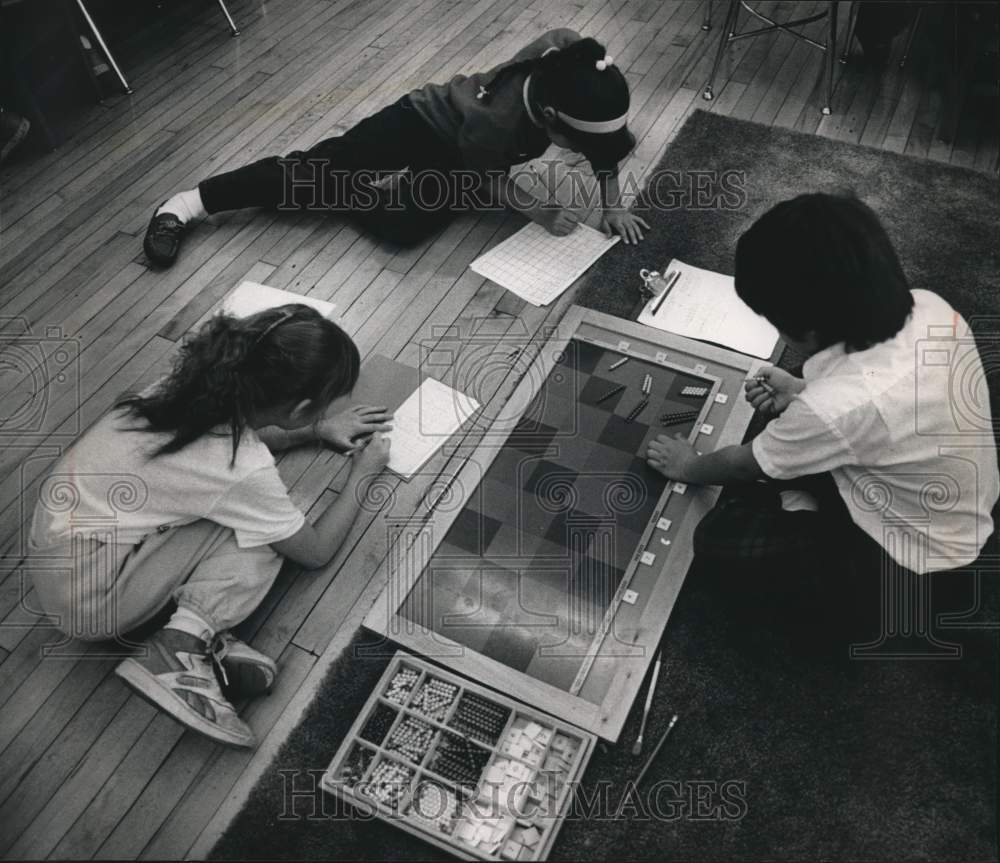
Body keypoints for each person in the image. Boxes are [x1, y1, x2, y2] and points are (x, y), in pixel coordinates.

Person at [29, 305, 393, 747]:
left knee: (251, 513)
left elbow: (251, 433)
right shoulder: (242, 469)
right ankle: (182, 645)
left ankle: (198, 636)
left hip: (61, 557)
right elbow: (314, 551)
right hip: (92, 599)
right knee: (269, 533)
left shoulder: (192, 385)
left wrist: (313, 430)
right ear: (298, 407)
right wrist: (362, 475)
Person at [645, 192, 999, 575]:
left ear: (807, 331)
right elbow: (881, 396)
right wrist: (801, 390)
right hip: (964, 497)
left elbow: (741, 466)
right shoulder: (931, 306)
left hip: (915, 550)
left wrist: (688, 465)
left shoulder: (833, 408)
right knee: (791, 440)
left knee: (715, 540)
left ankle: (812, 516)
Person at [143, 30, 650, 267]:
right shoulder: (497, 124)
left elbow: (602, 148)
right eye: (573, 145)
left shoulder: (567, 61)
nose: (581, 157)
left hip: (463, 153)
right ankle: (186, 204)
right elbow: (492, 177)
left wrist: (612, 207)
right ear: (547, 119)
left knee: (404, 228)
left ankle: (354, 191)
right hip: (422, 121)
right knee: (309, 176)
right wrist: (538, 212)